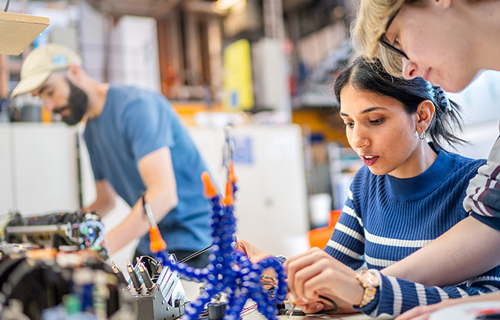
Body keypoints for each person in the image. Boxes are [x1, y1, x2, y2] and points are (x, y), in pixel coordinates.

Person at [238, 56, 500, 317]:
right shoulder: (366, 183)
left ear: (422, 116)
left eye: (375, 121)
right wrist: (271, 268)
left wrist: (370, 293)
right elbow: (334, 270)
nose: (358, 140)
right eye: (349, 123)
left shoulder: (478, 187)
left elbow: (484, 299)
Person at [349, 0, 500, 318]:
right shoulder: (364, 185)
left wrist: (367, 287)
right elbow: (493, 223)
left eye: (398, 39)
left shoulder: (462, 177)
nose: (408, 68)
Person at [11, 43, 212, 268]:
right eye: (41, 99)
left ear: (75, 72)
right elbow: (105, 201)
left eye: (50, 92)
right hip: (154, 238)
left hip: (196, 239)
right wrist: (57, 234)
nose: (49, 107)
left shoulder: (136, 107)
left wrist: (96, 251)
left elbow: (163, 195)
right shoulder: (91, 133)